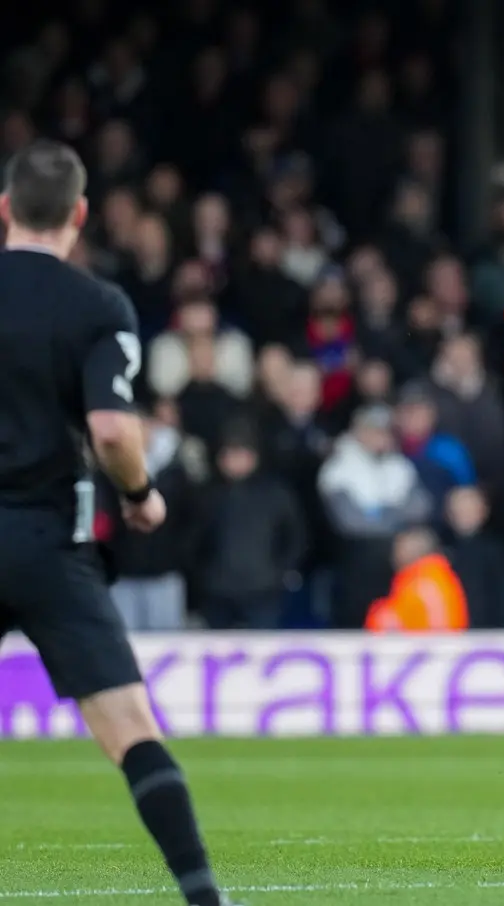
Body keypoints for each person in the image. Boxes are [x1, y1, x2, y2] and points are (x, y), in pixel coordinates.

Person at [0, 140, 239, 904]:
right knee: (131, 730)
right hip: (46, 542)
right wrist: (139, 495)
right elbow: (110, 429)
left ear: (4, 209)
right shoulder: (97, 305)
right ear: (78, 215)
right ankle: (203, 895)